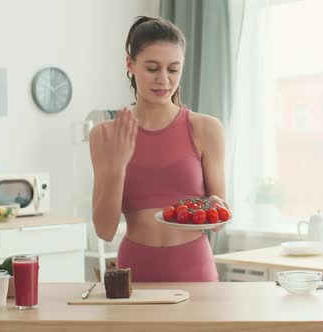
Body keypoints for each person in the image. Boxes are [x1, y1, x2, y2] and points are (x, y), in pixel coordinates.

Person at [88, 16, 228, 282]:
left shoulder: (207, 129)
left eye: (173, 69)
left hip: (194, 268)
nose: (163, 80)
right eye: (152, 68)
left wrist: (217, 206)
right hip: (135, 269)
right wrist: (116, 167)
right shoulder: (105, 135)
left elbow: (218, 221)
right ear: (130, 64)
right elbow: (105, 230)